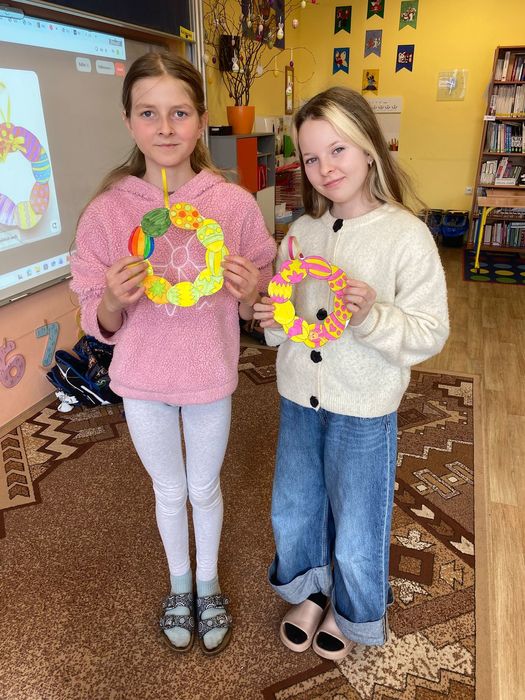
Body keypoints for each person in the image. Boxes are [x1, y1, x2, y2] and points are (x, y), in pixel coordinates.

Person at [71, 51, 276, 655]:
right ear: (128, 121)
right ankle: (180, 583)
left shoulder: (232, 205)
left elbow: (260, 303)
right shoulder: (108, 212)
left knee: (203, 487)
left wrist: (252, 292)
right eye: (148, 113)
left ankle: (208, 582)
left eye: (179, 113)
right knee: (168, 489)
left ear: (201, 119)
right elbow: (97, 319)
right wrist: (111, 299)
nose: (165, 128)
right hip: (142, 379)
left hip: (208, 374)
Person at [253, 87, 449, 659]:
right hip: (298, 398)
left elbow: (429, 332)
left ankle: (354, 611)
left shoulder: (405, 235)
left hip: (364, 408)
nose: (325, 168)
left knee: (360, 523)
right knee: (295, 506)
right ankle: (309, 590)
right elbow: (287, 324)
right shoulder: (301, 233)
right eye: (311, 157)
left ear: (369, 148)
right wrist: (272, 321)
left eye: (338, 150)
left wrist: (371, 317)